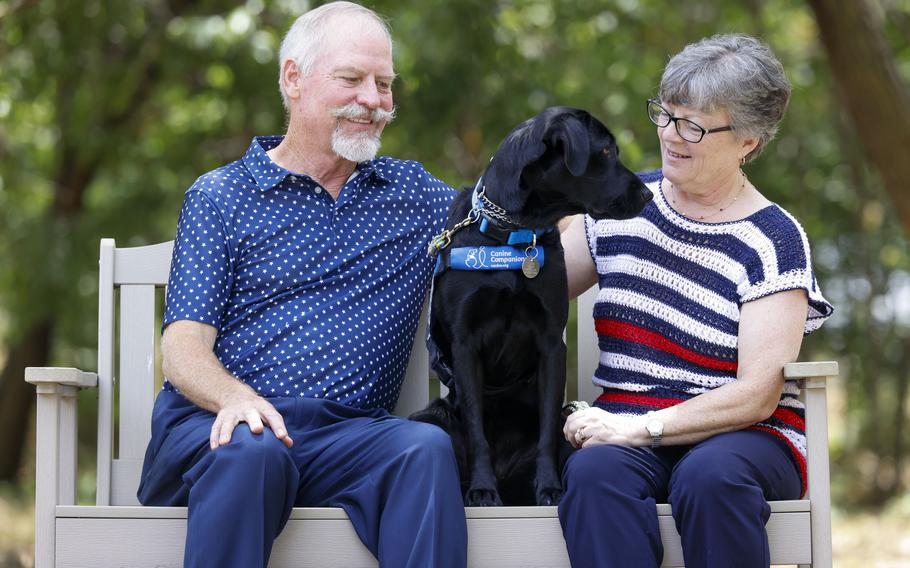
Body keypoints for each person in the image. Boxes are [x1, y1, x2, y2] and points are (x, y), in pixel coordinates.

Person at [136, 3, 467, 567]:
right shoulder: (222, 195)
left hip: (347, 439)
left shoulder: (414, 196)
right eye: (352, 79)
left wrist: (660, 188)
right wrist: (239, 400)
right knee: (252, 449)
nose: (373, 99)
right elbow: (182, 347)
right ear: (294, 78)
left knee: (425, 447)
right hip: (219, 431)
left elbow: (515, 218)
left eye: (384, 84)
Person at [558, 34, 833, 568]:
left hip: (748, 435)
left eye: (694, 125)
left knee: (710, 479)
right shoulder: (619, 206)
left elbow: (756, 395)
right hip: (626, 421)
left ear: (749, 142)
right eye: (666, 114)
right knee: (593, 474)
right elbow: (535, 289)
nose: (670, 135)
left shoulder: (772, 238)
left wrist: (643, 428)